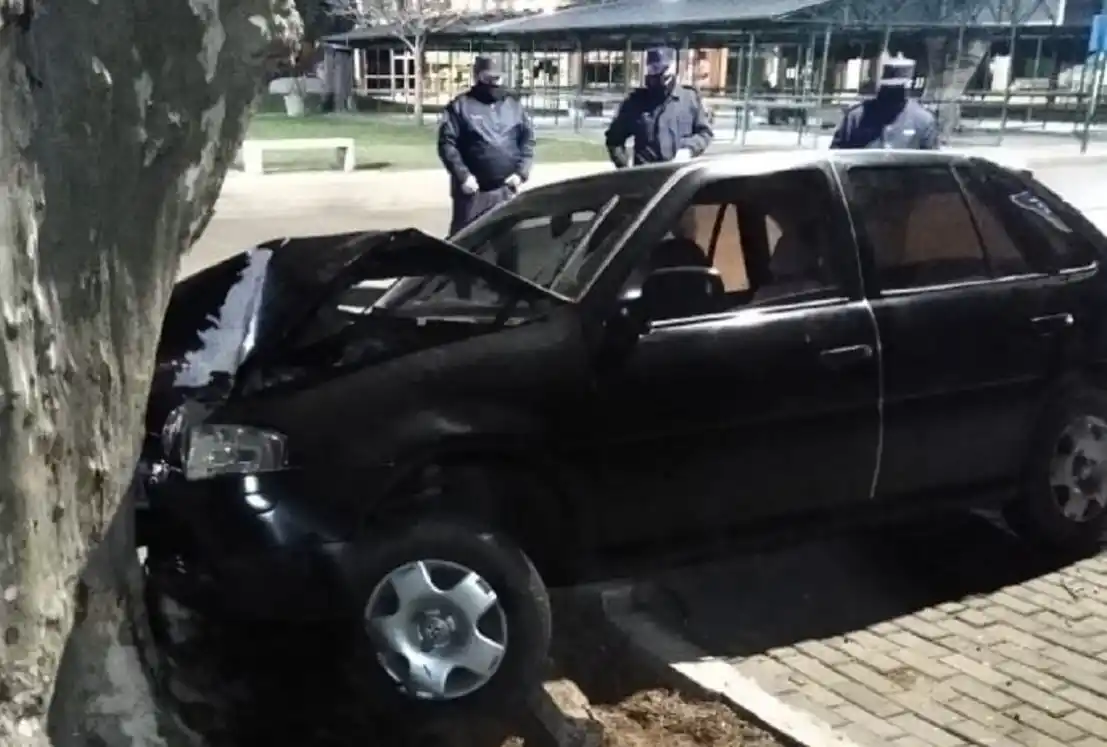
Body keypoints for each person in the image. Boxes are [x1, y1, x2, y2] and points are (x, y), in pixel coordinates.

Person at [438, 56, 536, 236]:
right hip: (473, 192)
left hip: (506, 189)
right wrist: (463, 176)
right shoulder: (460, 106)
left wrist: (521, 173)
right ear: (477, 77)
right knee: (467, 242)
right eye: (487, 78)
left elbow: (528, 140)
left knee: (506, 243)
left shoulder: (514, 106)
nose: (492, 83)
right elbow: (447, 144)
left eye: (496, 78)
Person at [605, 47, 714, 168]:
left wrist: (689, 149)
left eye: (664, 69)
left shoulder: (689, 99)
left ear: (673, 68)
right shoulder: (636, 102)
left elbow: (705, 133)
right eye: (654, 69)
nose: (660, 75)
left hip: (679, 175)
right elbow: (614, 139)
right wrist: (625, 167)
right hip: (646, 176)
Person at [830, 53, 939, 150]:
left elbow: (932, 165)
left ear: (907, 87)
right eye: (888, 87)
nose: (892, 93)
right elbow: (836, 155)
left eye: (898, 88)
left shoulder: (923, 121)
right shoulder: (855, 118)